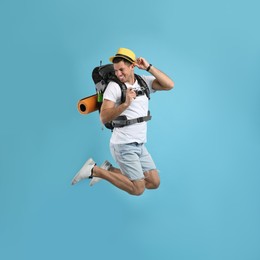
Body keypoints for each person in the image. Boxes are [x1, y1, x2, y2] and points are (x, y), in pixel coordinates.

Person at [71, 47, 174, 196]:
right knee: (138, 189)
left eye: (122, 70)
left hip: (139, 144)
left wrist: (148, 67)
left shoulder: (143, 82)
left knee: (153, 182)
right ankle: (94, 170)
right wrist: (125, 104)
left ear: (132, 66)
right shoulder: (114, 87)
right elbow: (104, 117)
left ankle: (109, 169)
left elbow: (169, 85)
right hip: (123, 144)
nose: (118, 74)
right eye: (116, 70)